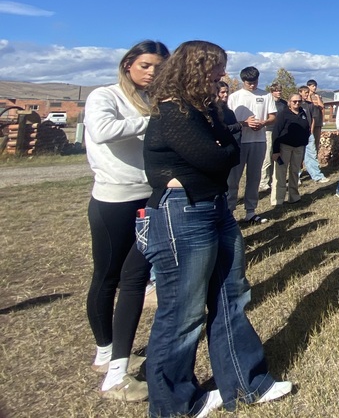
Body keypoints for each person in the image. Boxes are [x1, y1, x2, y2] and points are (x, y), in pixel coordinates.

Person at [142, 40, 291, 417]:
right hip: (183, 212)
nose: (220, 76)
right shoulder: (172, 110)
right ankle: (174, 404)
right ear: (195, 67)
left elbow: (227, 151)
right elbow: (215, 155)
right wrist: (224, 145)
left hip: (215, 207)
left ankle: (246, 383)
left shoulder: (205, 109)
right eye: (215, 68)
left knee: (231, 296)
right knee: (183, 312)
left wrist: (224, 144)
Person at [85, 40, 169, 402]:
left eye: (158, 67)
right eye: (146, 65)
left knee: (134, 276)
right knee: (107, 275)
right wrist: (151, 121)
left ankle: (116, 358)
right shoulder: (105, 96)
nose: (151, 73)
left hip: (146, 194)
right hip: (113, 198)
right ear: (128, 64)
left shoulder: (154, 101)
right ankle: (105, 351)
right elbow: (103, 131)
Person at [227, 67, 276, 225]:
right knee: (233, 179)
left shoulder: (266, 95)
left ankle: (250, 211)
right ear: (243, 81)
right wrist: (244, 123)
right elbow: (228, 122)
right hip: (239, 142)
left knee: (254, 178)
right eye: (249, 83)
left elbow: (272, 116)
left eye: (255, 82)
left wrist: (263, 123)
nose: (252, 86)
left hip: (258, 141)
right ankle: (229, 212)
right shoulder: (234, 97)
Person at [271, 92, 310, 206]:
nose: (297, 103)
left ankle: (294, 197)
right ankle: (278, 199)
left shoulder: (303, 112)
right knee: (280, 173)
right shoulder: (284, 114)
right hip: (285, 147)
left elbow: (306, 128)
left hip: (299, 147)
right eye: (294, 101)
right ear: (289, 102)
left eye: (299, 101)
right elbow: (276, 132)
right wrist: (276, 150)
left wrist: (304, 142)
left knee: (294, 172)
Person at [258, 83, 286, 192]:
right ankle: (264, 182)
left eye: (280, 90)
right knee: (267, 157)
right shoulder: (268, 102)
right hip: (269, 131)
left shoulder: (284, 104)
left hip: (281, 132)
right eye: (276, 90)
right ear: (272, 91)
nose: (278, 92)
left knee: (278, 157)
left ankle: (276, 179)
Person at [296, 85, 327, 183]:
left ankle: (317, 176)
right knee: (298, 156)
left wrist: (311, 131)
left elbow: (313, 119)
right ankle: (296, 176)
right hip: (298, 134)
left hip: (309, 134)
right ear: (300, 92)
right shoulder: (296, 104)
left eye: (307, 92)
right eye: (305, 92)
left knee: (312, 154)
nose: (307, 94)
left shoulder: (310, 105)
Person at [306, 79, 325, 151]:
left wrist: (317, 98)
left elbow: (321, 106)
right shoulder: (306, 96)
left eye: (315, 86)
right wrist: (309, 96)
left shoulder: (318, 96)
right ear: (308, 86)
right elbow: (309, 105)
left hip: (317, 122)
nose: (314, 88)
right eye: (313, 86)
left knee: (316, 141)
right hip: (309, 123)